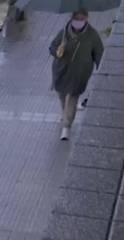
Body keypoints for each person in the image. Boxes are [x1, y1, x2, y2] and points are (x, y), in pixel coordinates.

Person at [50, 8, 104, 141]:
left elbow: (99, 53)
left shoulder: (92, 35)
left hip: (80, 74)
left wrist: (101, 68)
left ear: (86, 19)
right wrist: (57, 50)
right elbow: (52, 47)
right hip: (61, 71)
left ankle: (67, 126)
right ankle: (65, 115)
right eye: (76, 19)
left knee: (72, 99)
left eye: (81, 19)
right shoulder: (64, 33)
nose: (78, 22)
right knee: (62, 97)